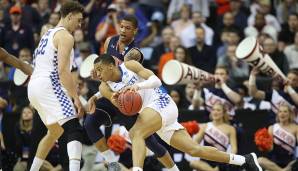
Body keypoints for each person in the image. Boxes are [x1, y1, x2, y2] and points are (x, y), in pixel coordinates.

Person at [92, 53, 263, 171]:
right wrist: (119, 101)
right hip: (151, 113)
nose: (97, 74)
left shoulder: (129, 65)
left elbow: (156, 80)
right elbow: (120, 105)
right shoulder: (104, 86)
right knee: (195, 150)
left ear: (111, 65)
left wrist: (138, 86)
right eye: (95, 71)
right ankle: (244, 160)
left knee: (136, 133)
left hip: (162, 102)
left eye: (100, 69)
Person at [85, 15, 179, 171]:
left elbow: (122, 79)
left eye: (127, 28)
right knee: (89, 123)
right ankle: (112, 164)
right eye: (121, 26)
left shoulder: (134, 53)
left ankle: (173, 169)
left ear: (135, 31)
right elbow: (105, 76)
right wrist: (97, 79)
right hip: (111, 95)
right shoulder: (110, 41)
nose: (122, 30)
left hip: (127, 96)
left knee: (149, 141)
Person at [27, 2, 85, 171]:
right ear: (69, 16)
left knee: (54, 133)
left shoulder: (47, 34)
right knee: (74, 128)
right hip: (48, 84)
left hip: (34, 88)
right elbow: (62, 71)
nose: (79, 25)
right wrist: (76, 98)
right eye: (79, 20)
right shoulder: (65, 36)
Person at [191, 103, 238, 171]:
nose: (215, 112)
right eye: (213, 110)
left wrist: (229, 161)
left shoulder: (231, 129)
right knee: (193, 163)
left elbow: (234, 149)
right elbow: (194, 143)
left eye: (218, 110)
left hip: (220, 161)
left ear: (223, 113)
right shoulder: (206, 126)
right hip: (205, 160)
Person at [258, 104, 298, 171]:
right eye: (280, 111)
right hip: (275, 162)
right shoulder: (272, 128)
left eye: (285, 111)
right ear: (277, 114)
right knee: (260, 160)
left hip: (290, 162)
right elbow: (270, 149)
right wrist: (263, 145)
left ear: (290, 114)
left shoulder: (296, 128)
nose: (282, 114)